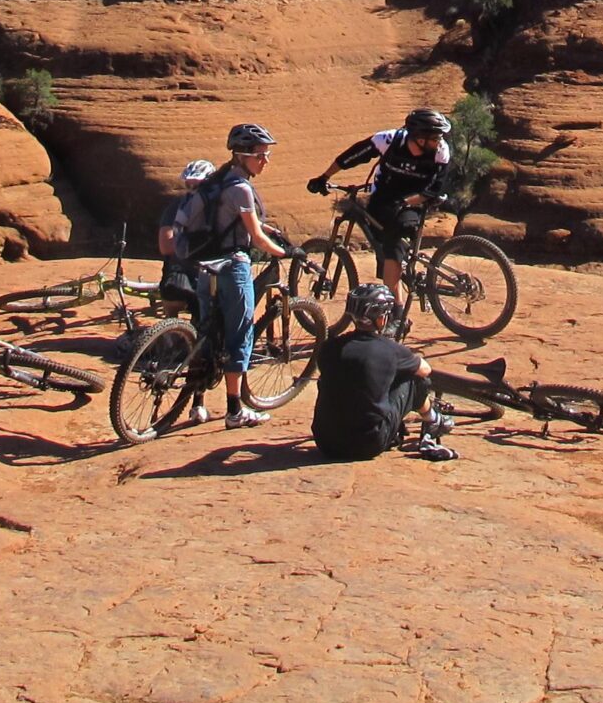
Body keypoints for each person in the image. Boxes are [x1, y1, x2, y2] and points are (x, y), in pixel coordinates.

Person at [187, 123, 300, 429]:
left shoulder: (215, 181)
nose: (266, 161)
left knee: (207, 331)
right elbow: (256, 238)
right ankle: (235, 411)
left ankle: (197, 405)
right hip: (232, 265)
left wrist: (272, 234)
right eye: (261, 155)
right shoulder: (240, 187)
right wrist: (286, 253)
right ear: (242, 156)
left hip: (204, 265)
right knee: (240, 334)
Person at [306, 107, 455, 294]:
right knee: (382, 230)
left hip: (416, 197)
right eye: (435, 137)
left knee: (395, 237)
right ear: (419, 137)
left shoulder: (440, 151)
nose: (439, 141)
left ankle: (396, 310)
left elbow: (434, 189)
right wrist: (324, 177)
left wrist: (409, 202)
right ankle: (393, 266)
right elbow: (352, 156)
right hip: (385, 193)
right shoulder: (390, 140)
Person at [312, 283, 455, 462]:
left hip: (325, 442)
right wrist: (406, 360)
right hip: (367, 444)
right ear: (380, 319)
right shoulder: (390, 350)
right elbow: (425, 370)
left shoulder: (329, 347)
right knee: (415, 380)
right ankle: (434, 420)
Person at [156, 158, 217, 314]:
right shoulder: (177, 206)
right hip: (184, 277)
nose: (192, 189)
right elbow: (166, 247)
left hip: (193, 276)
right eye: (189, 185)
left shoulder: (221, 206)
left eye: (197, 185)